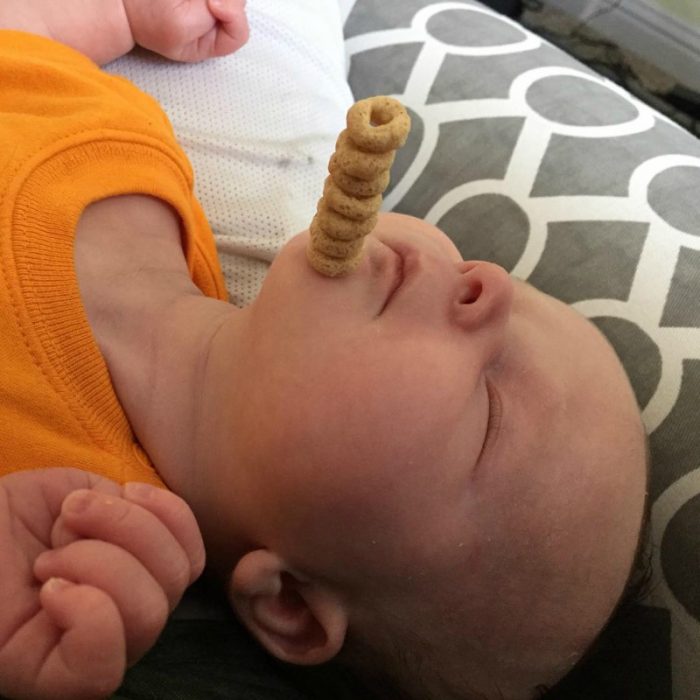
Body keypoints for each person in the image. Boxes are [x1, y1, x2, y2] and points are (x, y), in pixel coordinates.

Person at [0, 2, 648, 700]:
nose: (483, 284)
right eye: (511, 289)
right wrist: (116, 18)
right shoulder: (128, 145)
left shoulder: (53, 527)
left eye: (492, 407)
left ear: (291, 605)